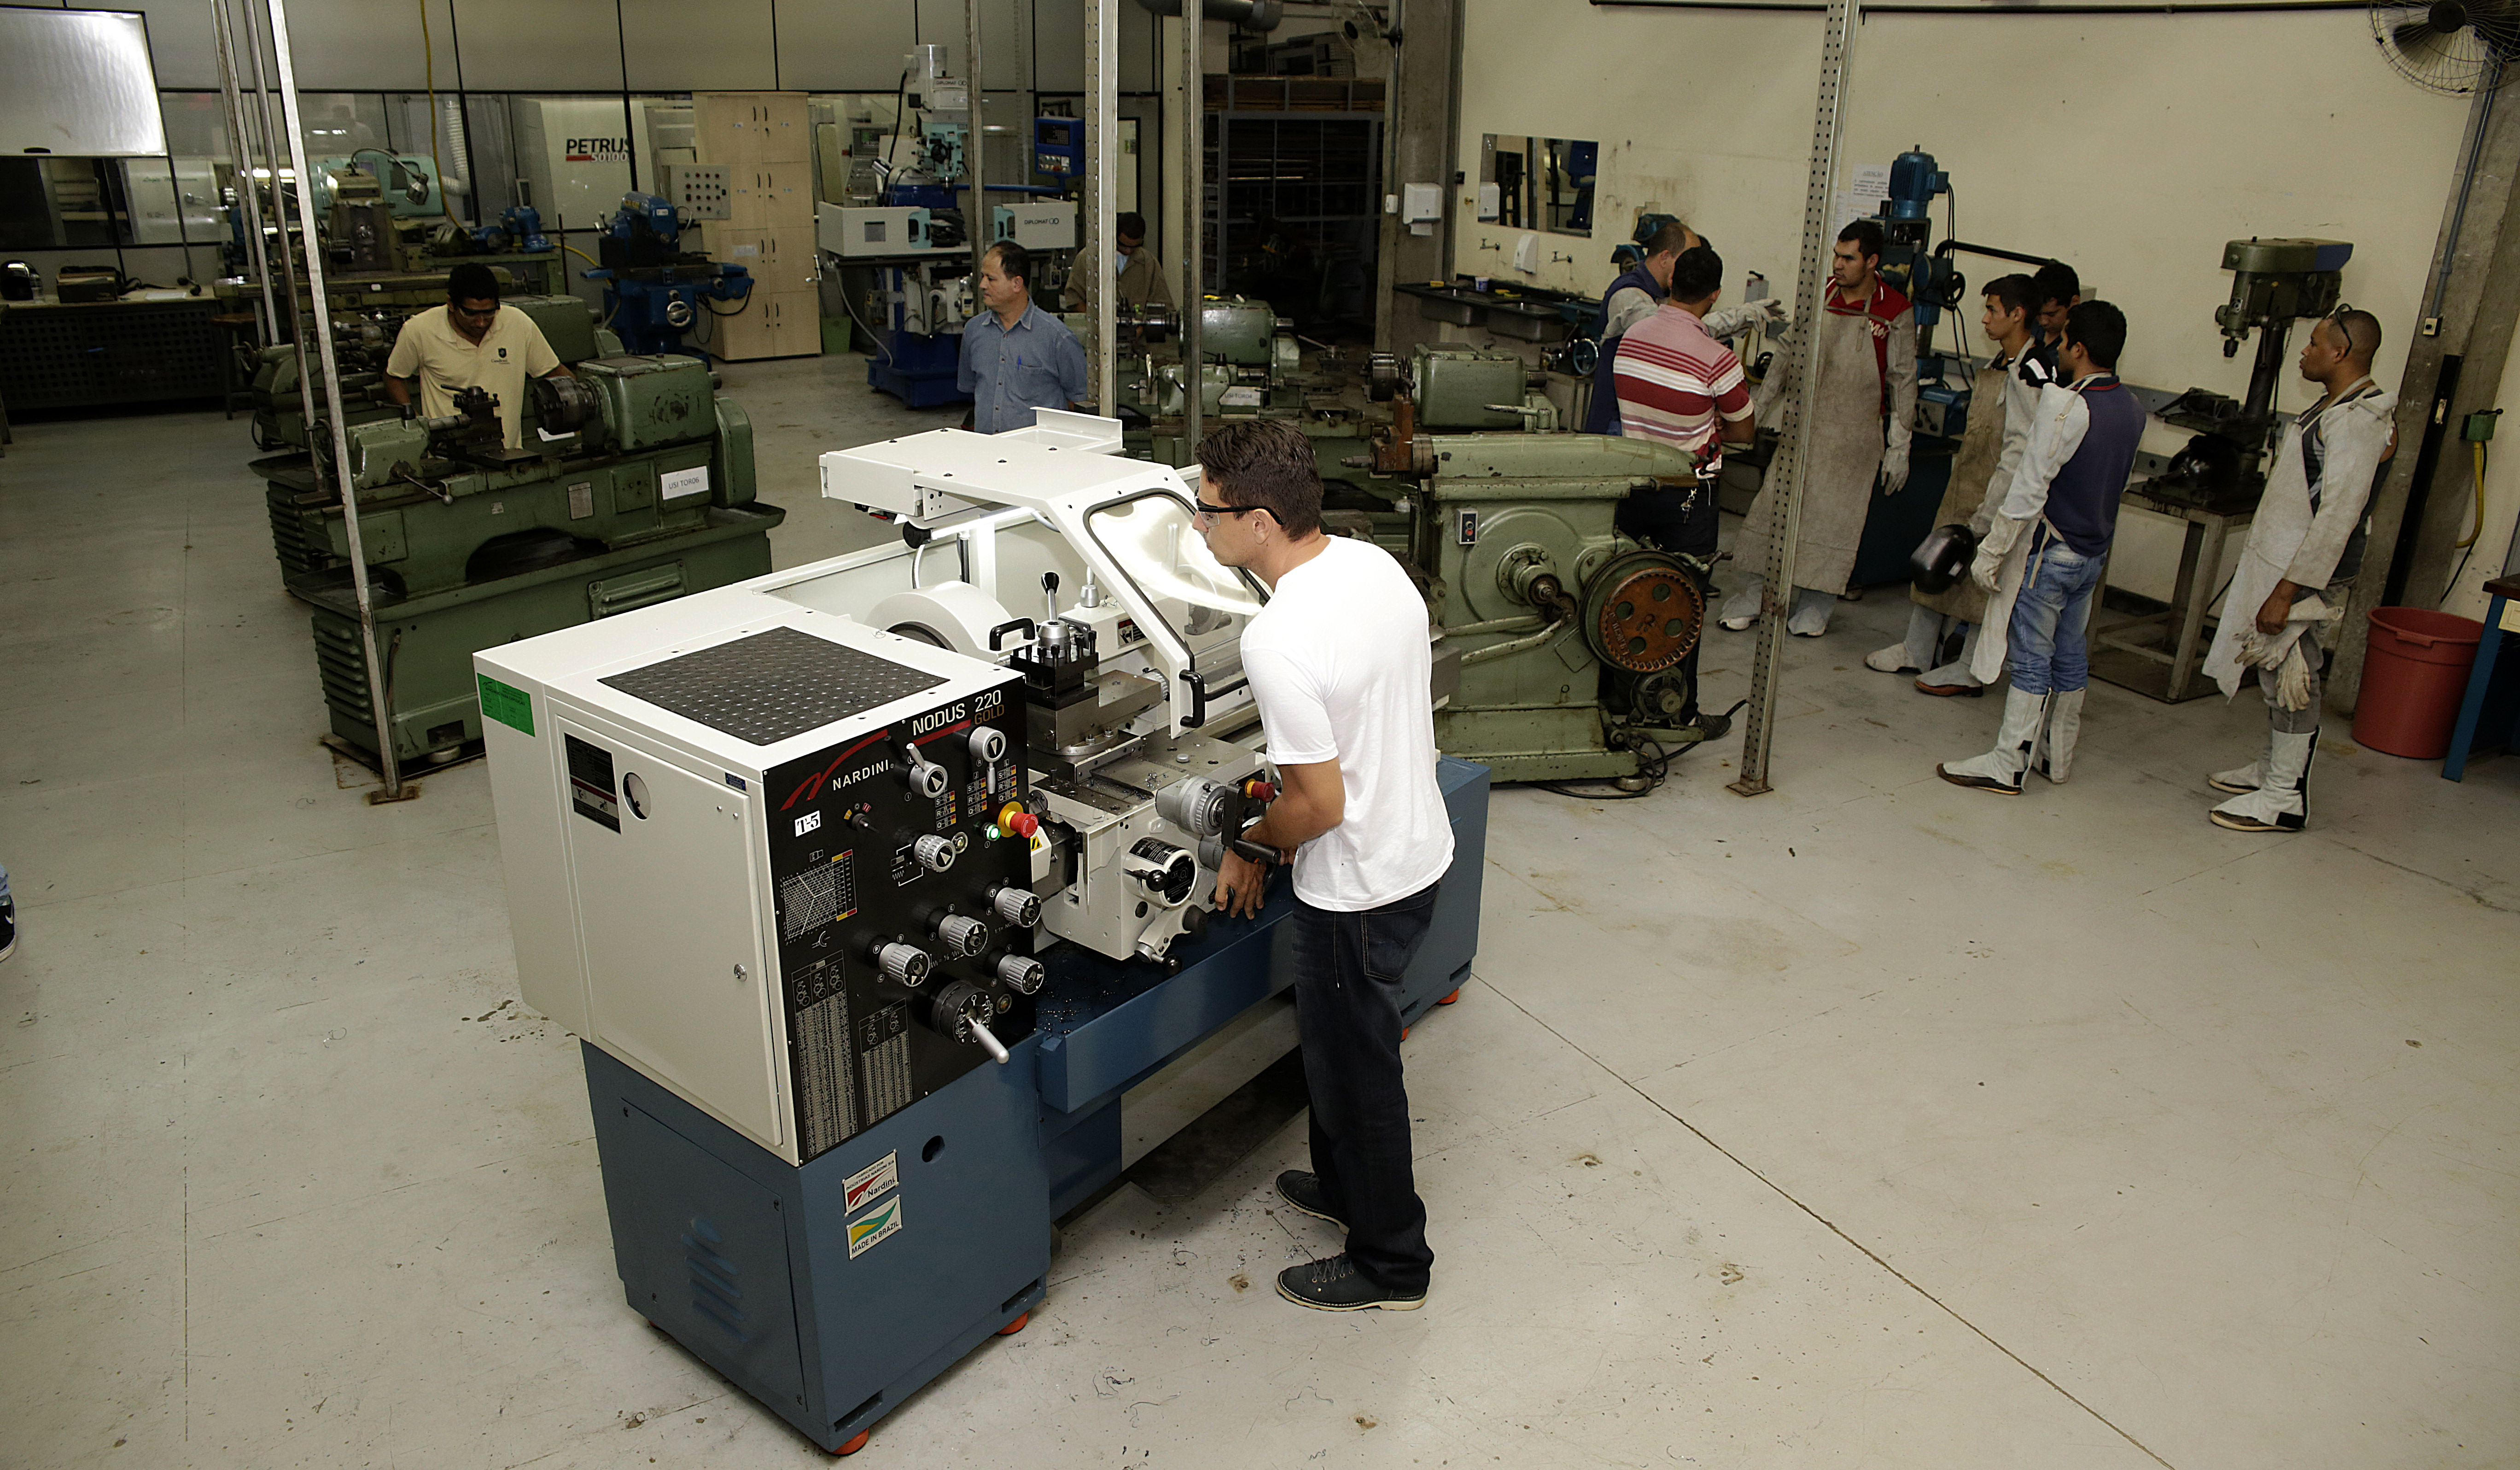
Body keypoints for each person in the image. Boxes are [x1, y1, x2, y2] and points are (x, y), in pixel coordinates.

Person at [1196, 419, 1453, 1313]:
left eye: (1210, 511)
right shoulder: (1372, 566)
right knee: (1340, 1049)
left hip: (1359, 887)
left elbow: (1317, 809)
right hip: (1418, 850)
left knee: (1358, 1070)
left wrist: (1246, 842)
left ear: (1260, 522)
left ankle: (1393, 1264)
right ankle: (1346, 1193)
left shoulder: (1279, 637)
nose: (1200, 526)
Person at [2199, 308, 2394, 832]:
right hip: (2283, 560)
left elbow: (2337, 517)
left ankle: (2284, 797)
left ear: (2341, 352)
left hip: (2306, 573)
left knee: (2294, 678)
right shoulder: (2331, 409)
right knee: (2272, 674)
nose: (2303, 353)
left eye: (2312, 345)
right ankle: (2272, 770)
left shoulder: (2358, 423)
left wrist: (2287, 591)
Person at [1938, 301, 2144, 794]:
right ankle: (2059, 756)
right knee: (2071, 653)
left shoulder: (2068, 404)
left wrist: (1993, 551)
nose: (2056, 344)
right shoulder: (2131, 407)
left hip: (2050, 554)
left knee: (2031, 657)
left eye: (2065, 336)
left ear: (2080, 347)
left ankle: (2009, 764)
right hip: (2091, 554)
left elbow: (2029, 487)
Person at [1720, 219, 1916, 638]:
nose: (1839, 265)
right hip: (1803, 429)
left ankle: (1816, 604)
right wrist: (1757, 408)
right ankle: (1759, 595)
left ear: (1872, 261)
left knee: (1833, 523)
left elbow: (1903, 379)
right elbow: (1789, 351)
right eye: (1836, 255)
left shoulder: (1894, 310)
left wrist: (1901, 445)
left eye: (1849, 258)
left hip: (1853, 439)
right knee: (1775, 511)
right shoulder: (1820, 294)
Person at [1866, 274, 2042, 694]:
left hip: (1996, 496)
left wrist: (1988, 515)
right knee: (1935, 565)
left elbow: (2019, 453)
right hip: (1967, 479)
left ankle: (1971, 669)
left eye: (1993, 311)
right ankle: (1918, 648)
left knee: (1983, 582)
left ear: (2018, 315)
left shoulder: (2030, 374)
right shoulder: (2001, 363)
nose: (1984, 319)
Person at [1608, 244, 1756, 726]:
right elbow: (1744, 432)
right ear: (1714, 296)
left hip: (1631, 489)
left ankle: (1618, 699)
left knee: (1627, 596)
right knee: (1681, 607)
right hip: (1689, 498)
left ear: (1671, 284)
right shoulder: (1717, 360)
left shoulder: (1632, 338)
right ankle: (1677, 714)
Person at [1585, 222, 1786, 434]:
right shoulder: (1628, 294)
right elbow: (1670, 329)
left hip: (1640, 424)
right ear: (1665, 258)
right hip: (1615, 423)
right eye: (1687, 258)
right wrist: (1739, 317)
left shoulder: (1661, 296)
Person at [383, 262, 574, 449]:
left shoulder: (518, 324)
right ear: (451, 304)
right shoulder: (419, 331)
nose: (481, 323)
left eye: (489, 313)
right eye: (471, 314)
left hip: (508, 454)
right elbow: (394, 377)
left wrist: (577, 398)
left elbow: (556, 372)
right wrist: (417, 425)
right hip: (448, 457)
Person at [959, 242, 1089, 433]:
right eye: (982, 277)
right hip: (987, 452)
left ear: (1017, 284)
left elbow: (1079, 401)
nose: (982, 285)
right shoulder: (974, 331)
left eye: (991, 279)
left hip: (1038, 456)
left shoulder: (1057, 338)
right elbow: (971, 387)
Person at [1061, 211, 1176, 313]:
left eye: (1134, 247)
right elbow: (1074, 298)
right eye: (1124, 246)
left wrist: (1142, 328)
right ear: (1114, 236)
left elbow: (1162, 305)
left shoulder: (1148, 263)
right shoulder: (1089, 258)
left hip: (1139, 334)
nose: (1129, 250)